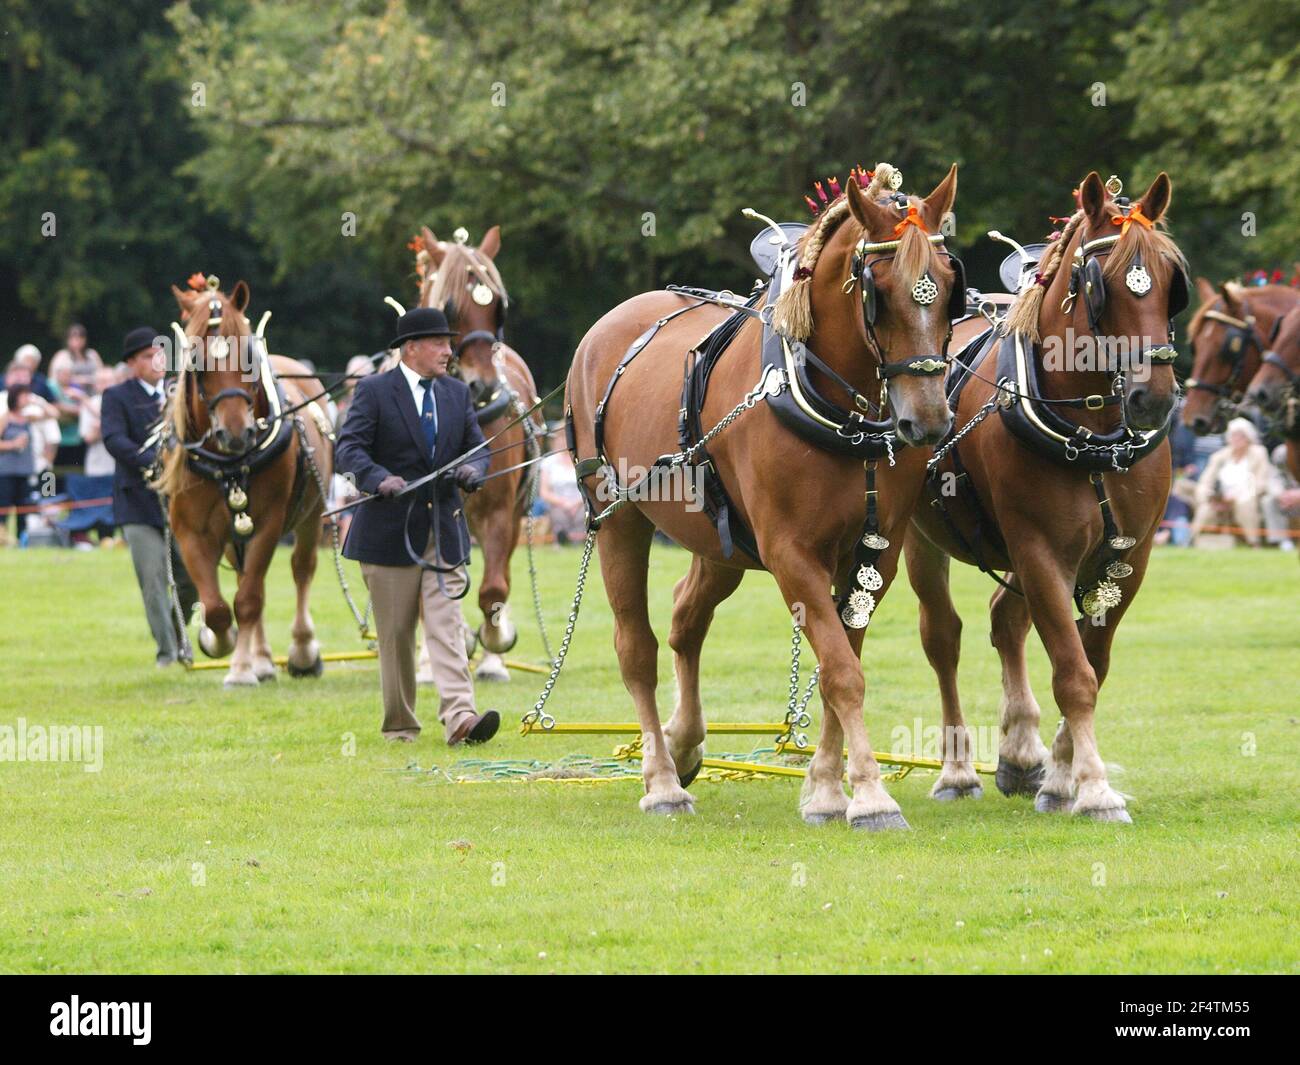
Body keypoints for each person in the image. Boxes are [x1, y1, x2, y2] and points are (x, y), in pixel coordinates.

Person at [335, 307, 496, 745]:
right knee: (397, 635)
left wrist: (473, 471)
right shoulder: (373, 392)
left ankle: (461, 717)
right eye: (440, 343)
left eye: (450, 343)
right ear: (411, 348)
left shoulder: (456, 394)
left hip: (443, 531)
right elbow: (348, 451)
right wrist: (378, 479)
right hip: (388, 534)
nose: (449, 351)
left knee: (447, 625)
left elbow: (477, 448)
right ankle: (400, 725)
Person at [100, 327, 198, 666]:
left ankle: (177, 633)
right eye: (146, 356)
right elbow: (114, 440)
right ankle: (168, 653)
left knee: (191, 580)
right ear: (131, 363)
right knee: (154, 581)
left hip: (180, 502)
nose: (156, 360)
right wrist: (154, 461)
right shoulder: (117, 396)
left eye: (159, 353)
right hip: (137, 503)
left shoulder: (181, 391)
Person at [1191, 418, 1284, 547]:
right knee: (1206, 508)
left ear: (1248, 437)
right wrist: (1210, 497)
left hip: (1248, 495)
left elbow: (1261, 482)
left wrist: (1236, 496)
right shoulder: (1219, 456)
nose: (1236, 439)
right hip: (1220, 497)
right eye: (1233, 435)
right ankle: (1193, 541)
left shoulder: (1259, 453)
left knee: (1245, 504)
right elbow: (1204, 482)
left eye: (1241, 436)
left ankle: (1254, 543)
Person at [0, 382, 37, 544]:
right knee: (4, 508)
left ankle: (23, 539)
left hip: (25, 470)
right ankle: (2, 538)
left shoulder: (28, 418)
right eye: (23, 395)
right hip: (7, 471)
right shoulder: (5, 418)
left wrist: (38, 402)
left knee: (24, 508)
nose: (26, 398)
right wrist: (13, 444)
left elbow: (53, 413)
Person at [537, 437, 585, 544]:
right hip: (557, 503)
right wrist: (563, 503)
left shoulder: (582, 458)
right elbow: (544, 492)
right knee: (559, 516)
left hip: (581, 502)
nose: (563, 442)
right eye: (560, 439)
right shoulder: (548, 462)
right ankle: (563, 539)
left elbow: (589, 487)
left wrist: (575, 503)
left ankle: (579, 539)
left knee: (582, 515)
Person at [53, 324, 103, 394]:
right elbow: (54, 378)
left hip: (93, 392)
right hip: (70, 394)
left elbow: (102, 374)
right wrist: (81, 380)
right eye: (73, 338)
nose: (77, 341)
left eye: (80, 337)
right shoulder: (62, 356)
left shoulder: (92, 354)